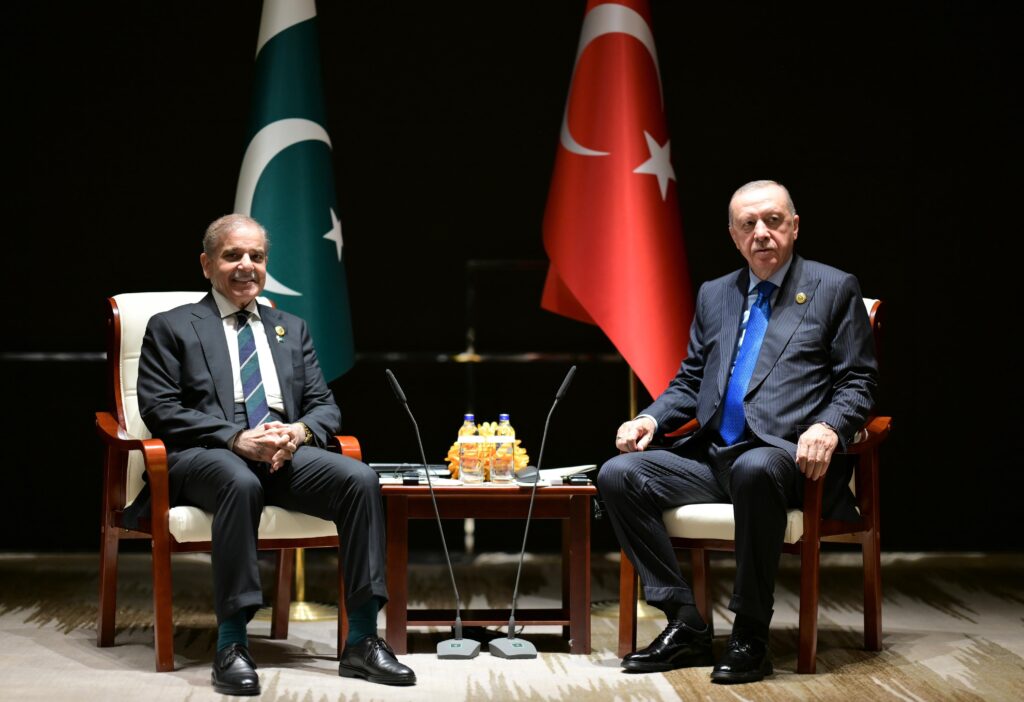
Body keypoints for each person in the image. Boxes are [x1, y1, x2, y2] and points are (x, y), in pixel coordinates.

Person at [597, 180, 877, 684]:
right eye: (748, 224)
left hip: (786, 457)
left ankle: (750, 634)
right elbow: (691, 379)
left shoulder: (834, 287)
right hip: (714, 456)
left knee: (754, 467)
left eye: (773, 221)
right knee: (619, 474)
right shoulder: (717, 294)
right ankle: (685, 622)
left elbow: (858, 381)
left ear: (794, 226)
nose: (761, 233)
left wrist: (829, 426)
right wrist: (649, 419)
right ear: (734, 235)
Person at [134, 214, 416, 694]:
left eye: (257, 256)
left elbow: (325, 405)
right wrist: (235, 438)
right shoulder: (173, 326)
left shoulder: (290, 328)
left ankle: (363, 641)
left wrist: (298, 433)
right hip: (206, 454)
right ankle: (232, 644)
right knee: (239, 480)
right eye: (232, 255)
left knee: (360, 480)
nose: (246, 265)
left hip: (282, 454)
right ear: (206, 264)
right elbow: (160, 408)